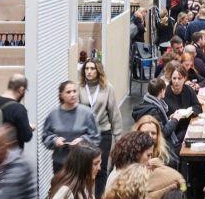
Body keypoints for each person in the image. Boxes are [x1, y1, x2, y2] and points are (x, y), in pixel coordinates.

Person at [78, 58, 123, 198]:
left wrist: (118, 137)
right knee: (85, 168)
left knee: (101, 169)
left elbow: (114, 112)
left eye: (92, 68)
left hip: (103, 133)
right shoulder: (80, 88)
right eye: (86, 69)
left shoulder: (107, 88)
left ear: (98, 71)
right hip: (86, 135)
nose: (89, 71)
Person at [43, 80, 100, 173]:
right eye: (68, 92)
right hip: (60, 162)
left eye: (74, 91)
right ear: (61, 95)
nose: (72, 94)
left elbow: (95, 137)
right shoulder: (53, 114)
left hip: (82, 162)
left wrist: (82, 140)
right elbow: (46, 136)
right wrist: (55, 140)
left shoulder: (87, 113)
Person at [132, 78, 182, 149]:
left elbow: (159, 122)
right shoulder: (153, 110)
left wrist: (169, 118)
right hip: (157, 146)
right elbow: (162, 132)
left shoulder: (146, 103)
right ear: (162, 91)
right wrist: (175, 119)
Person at [163, 65, 203, 142]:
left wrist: (189, 111)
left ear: (184, 78)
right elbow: (162, 117)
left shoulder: (189, 90)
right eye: (174, 78)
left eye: (179, 78)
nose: (176, 81)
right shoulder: (165, 93)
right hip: (172, 131)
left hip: (187, 127)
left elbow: (198, 107)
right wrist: (172, 117)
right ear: (171, 79)